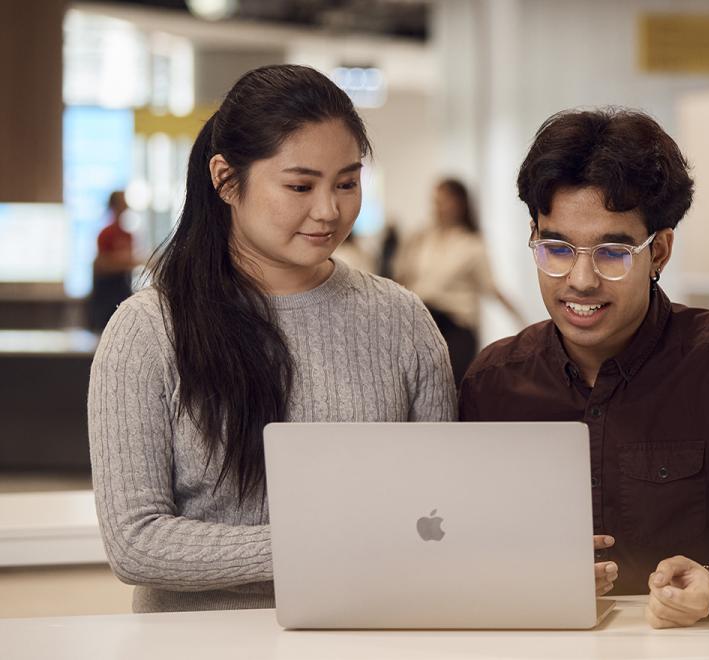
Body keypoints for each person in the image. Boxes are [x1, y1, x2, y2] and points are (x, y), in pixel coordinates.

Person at [87, 64, 456, 613]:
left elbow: (440, 509)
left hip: (367, 632)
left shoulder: (402, 320)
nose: (329, 211)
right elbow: (136, 542)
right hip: (196, 647)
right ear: (225, 179)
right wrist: (318, 544)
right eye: (300, 186)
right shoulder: (148, 331)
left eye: (347, 183)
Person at [459, 108, 709, 628]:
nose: (579, 280)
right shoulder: (493, 382)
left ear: (660, 251)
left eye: (612, 252)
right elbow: (467, 546)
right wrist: (527, 575)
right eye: (556, 248)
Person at [395, 178, 523, 382]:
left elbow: (491, 289)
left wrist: (522, 322)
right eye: (436, 201)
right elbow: (403, 279)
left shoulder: (472, 244)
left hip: (456, 327)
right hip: (421, 323)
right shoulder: (421, 238)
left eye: (445, 201)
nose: (439, 207)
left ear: (460, 204)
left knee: (450, 388)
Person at [87, 191, 137, 332]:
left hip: (122, 288)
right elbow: (102, 263)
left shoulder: (128, 235)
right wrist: (125, 261)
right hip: (107, 292)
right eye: (122, 202)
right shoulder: (105, 234)